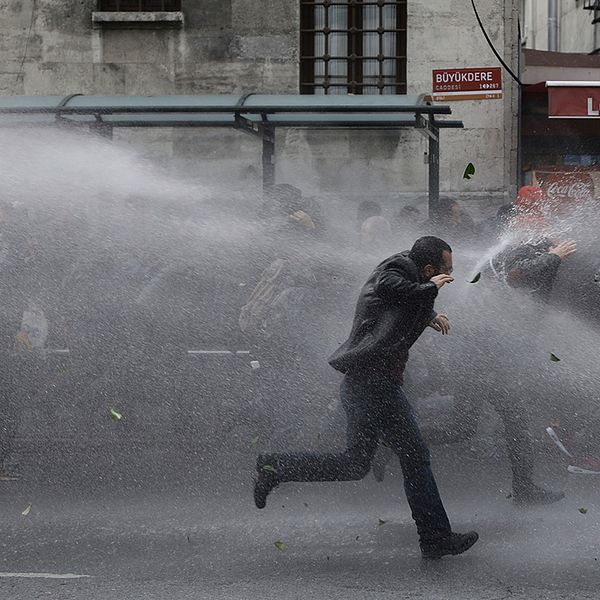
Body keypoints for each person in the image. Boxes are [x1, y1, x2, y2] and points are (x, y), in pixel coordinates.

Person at [253, 236, 479, 559]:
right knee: (416, 457)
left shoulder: (411, 275)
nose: (450, 276)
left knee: (355, 463)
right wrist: (431, 290)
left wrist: (429, 314)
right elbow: (390, 288)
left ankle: (274, 466)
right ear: (429, 268)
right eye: (446, 271)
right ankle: (435, 536)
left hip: (366, 385)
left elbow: (395, 305)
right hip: (374, 384)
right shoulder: (398, 268)